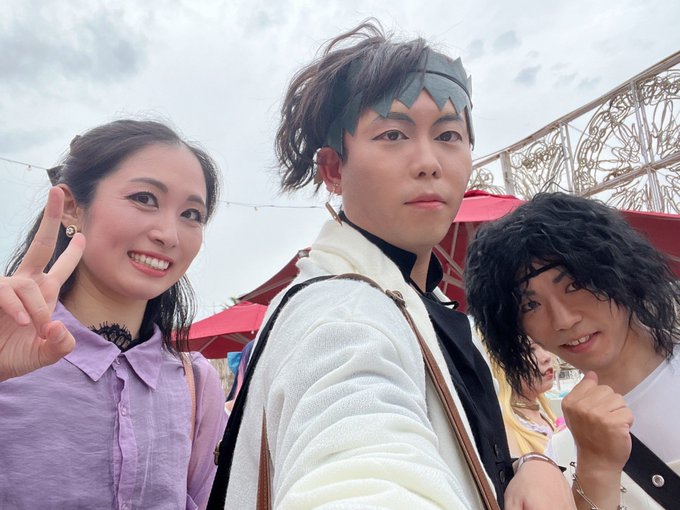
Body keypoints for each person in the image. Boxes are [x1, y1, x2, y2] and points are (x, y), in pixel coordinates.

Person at [217, 21, 574, 509]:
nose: (429, 161)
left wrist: (529, 464)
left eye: (448, 135)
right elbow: (358, 462)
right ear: (334, 169)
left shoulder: (428, 303)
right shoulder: (340, 315)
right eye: (393, 134)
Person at [0, 119, 228, 509]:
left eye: (192, 214)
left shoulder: (196, 382)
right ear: (71, 207)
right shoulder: (7, 353)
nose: (169, 234)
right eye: (145, 198)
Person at [465, 191, 679, 509]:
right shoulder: (564, 454)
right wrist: (595, 471)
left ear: (619, 269)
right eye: (529, 305)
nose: (563, 320)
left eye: (575, 285)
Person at [489, 342, 561, 460]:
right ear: (503, 364)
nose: (546, 357)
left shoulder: (543, 416)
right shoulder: (507, 430)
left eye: (544, 345)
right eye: (529, 350)